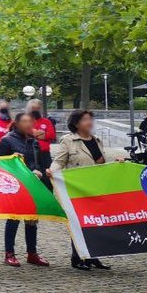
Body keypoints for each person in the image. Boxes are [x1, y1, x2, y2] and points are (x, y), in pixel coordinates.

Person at [51, 109, 111, 270]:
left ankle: (94, 256)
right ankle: (77, 258)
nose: (89, 122)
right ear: (76, 123)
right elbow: (59, 161)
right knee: (79, 224)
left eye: (91, 119)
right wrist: (52, 171)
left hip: (95, 188)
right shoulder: (68, 141)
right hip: (76, 189)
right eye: (85, 119)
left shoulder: (97, 140)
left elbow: (101, 163)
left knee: (96, 223)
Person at [0, 112, 51, 267]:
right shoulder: (7, 140)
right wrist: (12, 158)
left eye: (30, 121)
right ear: (17, 123)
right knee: (13, 218)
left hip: (32, 183)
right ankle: (9, 253)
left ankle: (32, 253)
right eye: (24, 121)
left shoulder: (33, 141)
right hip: (15, 184)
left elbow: (38, 161)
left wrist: (38, 170)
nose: (28, 124)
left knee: (32, 220)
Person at [25, 98, 57, 169]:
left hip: (44, 153)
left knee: (46, 176)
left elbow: (52, 135)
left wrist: (33, 133)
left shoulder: (46, 121)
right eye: (33, 108)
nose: (35, 110)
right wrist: (42, 133)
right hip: (29, 153)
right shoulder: (24, 121)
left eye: (38, 108)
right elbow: (24, 133)